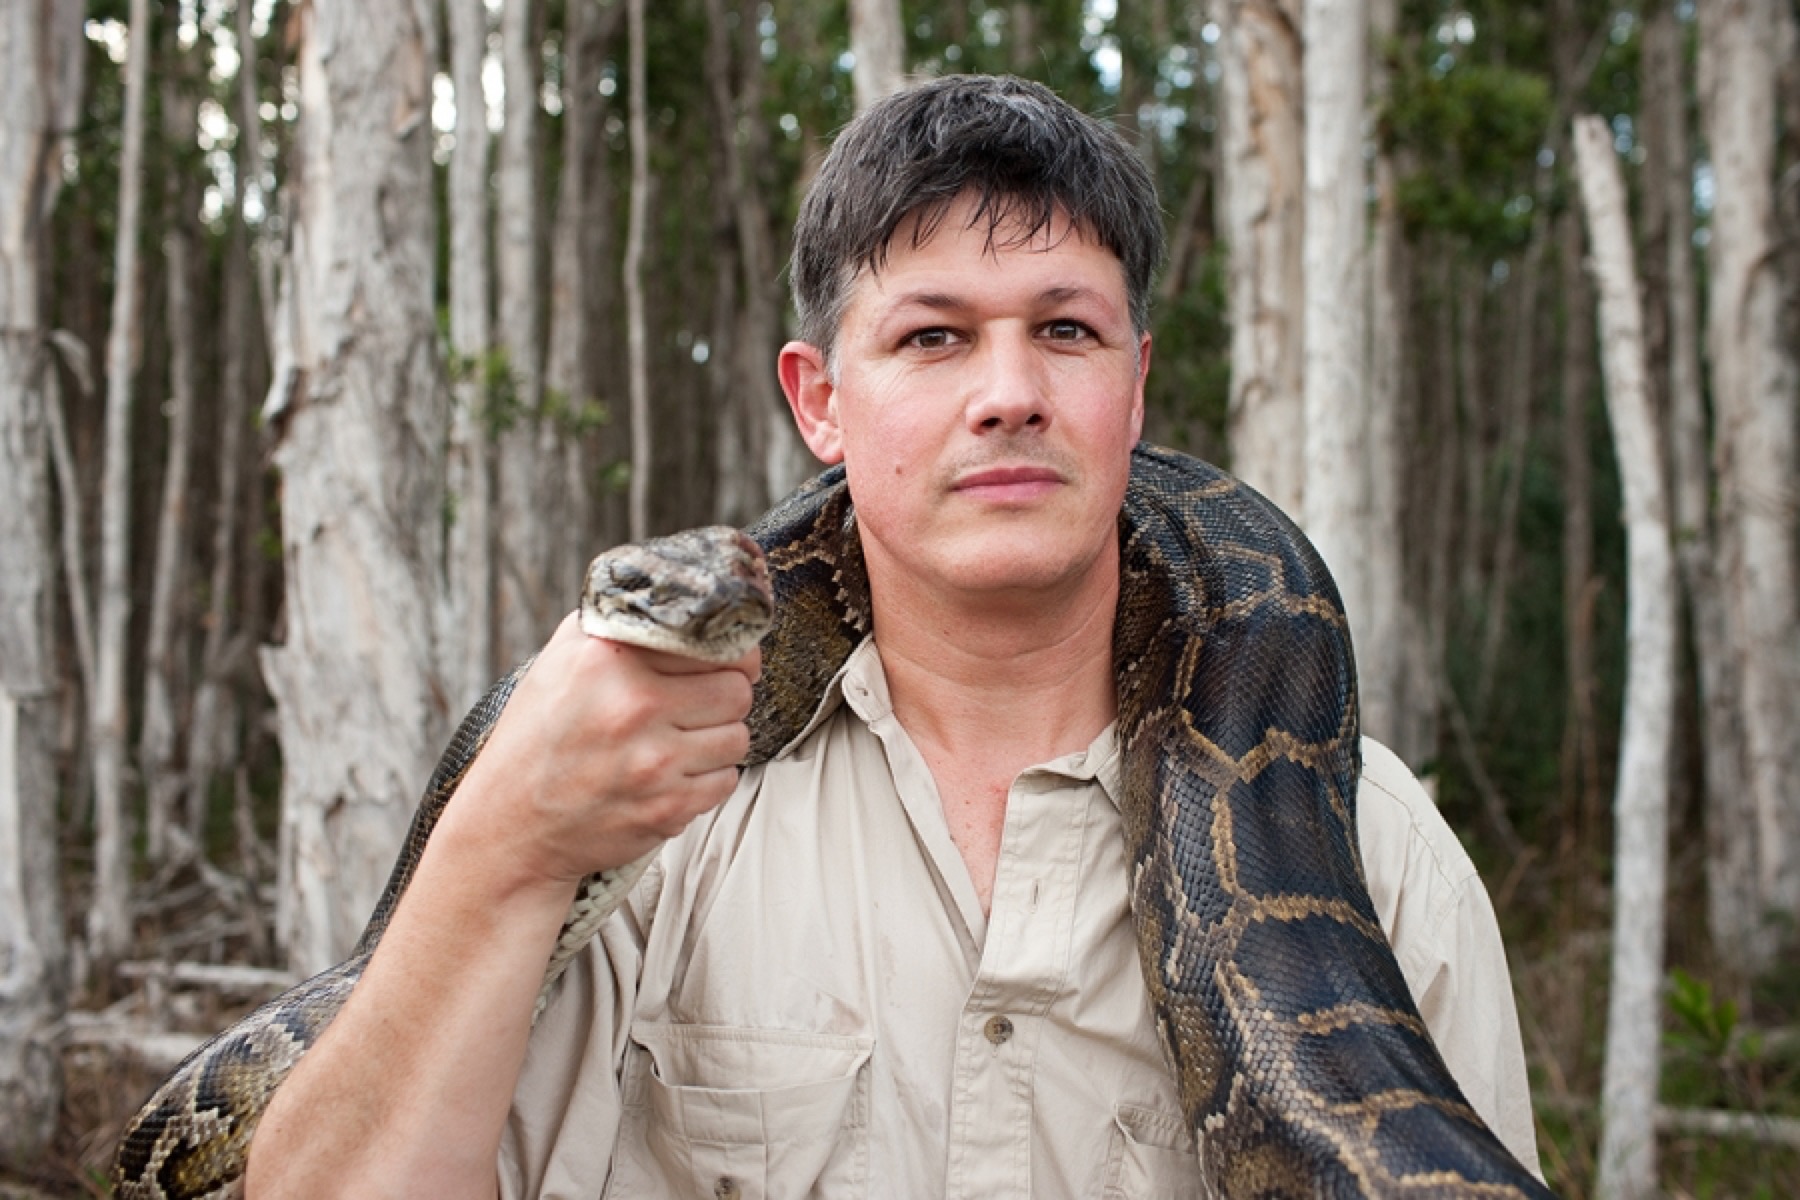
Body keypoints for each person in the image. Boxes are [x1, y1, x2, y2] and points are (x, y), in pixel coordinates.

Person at [246, 74, 1538, 1198]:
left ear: (1134, 388)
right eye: (932, 337)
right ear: (821, 401)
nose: (1010, 395)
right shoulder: (626, 816)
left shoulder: (1384, 856)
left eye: (1065, 330)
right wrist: (501, 849)